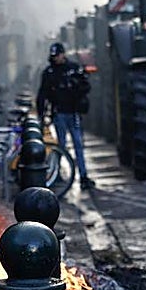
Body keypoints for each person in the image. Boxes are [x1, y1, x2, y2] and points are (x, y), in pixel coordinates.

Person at [35, 42, 94, 189]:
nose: (56, 58)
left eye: (58, 55)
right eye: (54, 56)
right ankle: (57, 174)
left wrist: (76, 87)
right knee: (60, 146)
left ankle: (83, 176)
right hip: (59, 113)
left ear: (63, 54)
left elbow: (86, 86)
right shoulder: (49, 73)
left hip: (73, 112)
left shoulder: (73, 69)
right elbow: (42, 95)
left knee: (78, 145)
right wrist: (41, 114)